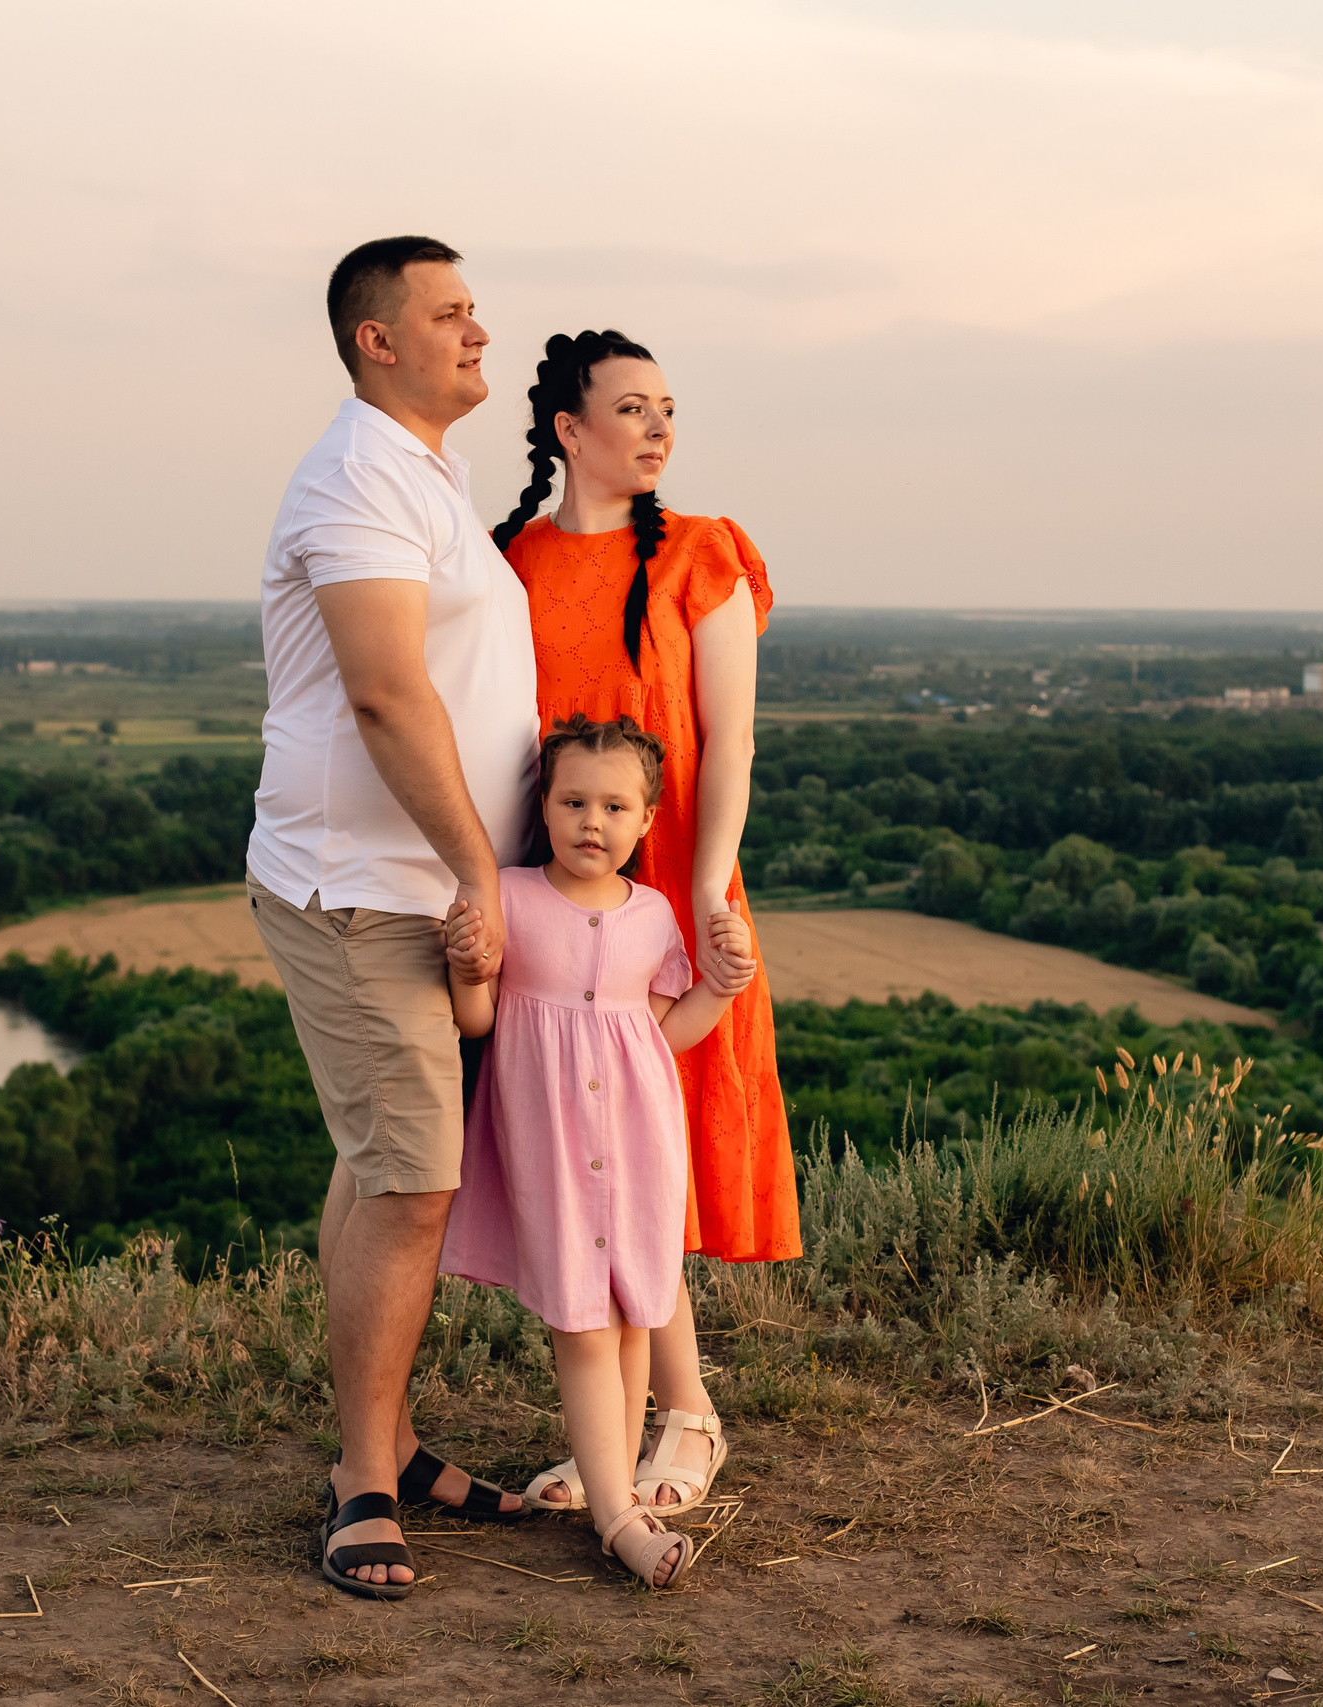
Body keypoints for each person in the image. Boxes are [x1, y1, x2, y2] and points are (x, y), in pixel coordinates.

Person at [245, 236, 539, 1600]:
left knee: (379, 1163)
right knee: (415, 1173)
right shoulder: (359, 473)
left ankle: (399, 1441)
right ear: (379, 339)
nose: (479, 330)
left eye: (476, 309)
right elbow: (382, 691)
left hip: (410, 884)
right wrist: (481, 870)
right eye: (451, 313)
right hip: (359, 887)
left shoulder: (429, 473)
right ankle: (363, 1476)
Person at [476, 329, 797, 1516]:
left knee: (660, 1152)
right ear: (569, 430)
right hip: (555, 896)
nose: (659, 429)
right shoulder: (509, 559)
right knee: (583, 1159)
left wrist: (706, 890)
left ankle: (691, 1414)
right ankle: (614, 1434)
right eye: (631, 408)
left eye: (668, 408)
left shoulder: (704, 557)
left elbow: (732, 743)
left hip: (673, 884)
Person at [438, 715, 756, 1586]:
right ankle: (619, 1517)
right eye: (574, 800)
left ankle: (605, 1473)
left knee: (627, 1317)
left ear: (647, 820)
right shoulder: (510, 894)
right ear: (544, 803)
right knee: (584, 1322)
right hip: (549, 1147)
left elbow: (667, 1030)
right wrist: (469, 967)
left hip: (640, 1142)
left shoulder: (653, 914)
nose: (592, 821)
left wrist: (720, 988)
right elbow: (481, 1022)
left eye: (616, 806)